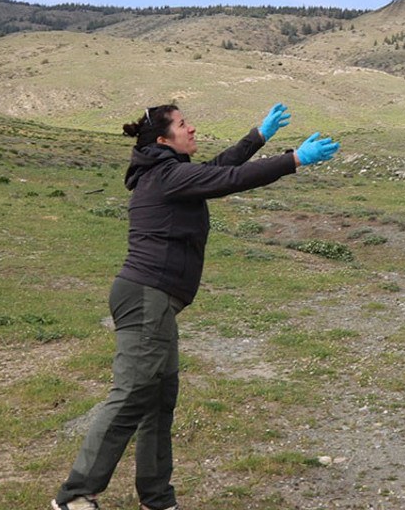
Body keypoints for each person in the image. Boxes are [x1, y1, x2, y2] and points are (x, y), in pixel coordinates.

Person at [52, 102, 339, 510]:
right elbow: (231, 179)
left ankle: (156, 497)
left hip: (156, 299)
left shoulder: (169, 172)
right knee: (132, 393)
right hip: (145, 297)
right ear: (165, 139)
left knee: (157, 399)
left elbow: (219, 169)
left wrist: (259, 137)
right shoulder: (165, 176)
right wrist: (293, 159)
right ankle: (76, 495)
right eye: (184, 124)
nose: (193, 128)